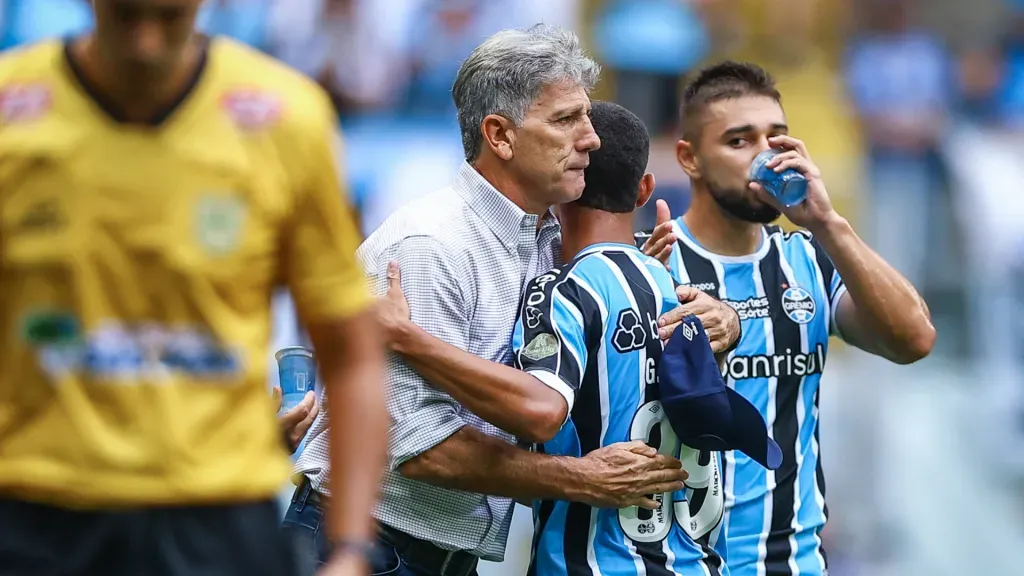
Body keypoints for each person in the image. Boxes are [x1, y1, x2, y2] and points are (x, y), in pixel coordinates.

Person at [288, 25, 739, 576]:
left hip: (445, 556)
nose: (590, 140)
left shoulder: (547, 240)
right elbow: (426, 450)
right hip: (365, 546)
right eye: (565, 120)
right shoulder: (431, 246)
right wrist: (581, 480)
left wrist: (716, 313)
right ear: (499, 136)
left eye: (587, 120)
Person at [0, 2, 385, 576]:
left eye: (170, 16)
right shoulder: (13, 109)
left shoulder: (286, 119)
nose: (148, 43)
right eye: (127, 15)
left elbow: (351, 352)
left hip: (218, 521)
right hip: (36, 514)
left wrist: (351, 550)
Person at [638, 61, 937, 576]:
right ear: (689, 158)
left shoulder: (810, 261)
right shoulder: (652, 265)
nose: (765, 156)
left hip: (792, 562)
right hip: (673, 562)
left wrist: (827, 220)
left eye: (776, 138)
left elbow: (913, 339)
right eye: (739, 141)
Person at [508, 100, 782, 576]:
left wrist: (413, 343)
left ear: (562, 181)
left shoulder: (562, 291)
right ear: (644, 190)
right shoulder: (686, 294)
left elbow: (536, 414)